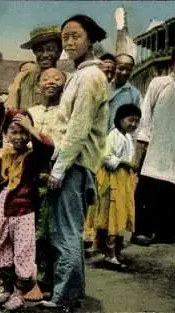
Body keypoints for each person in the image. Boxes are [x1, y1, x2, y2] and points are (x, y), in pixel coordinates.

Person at [42, 15, 109, 310]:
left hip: (74, 164)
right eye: (65, 37)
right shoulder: (80, 75)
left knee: (66, 233)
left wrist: (59, 168)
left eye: (75, 36)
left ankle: (62, 298)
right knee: (67, 231)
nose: (69, 42)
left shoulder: (91, 76)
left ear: (90, 40)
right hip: (73, 162)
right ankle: (71, 294)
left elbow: (78, 128)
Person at [0, 111, 54, 311]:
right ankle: (6, 286)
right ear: (6, 134)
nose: (19, 137)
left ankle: (21, 293)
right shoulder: (3, 158)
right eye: (14, 131)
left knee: (22, 251)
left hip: (23, 211)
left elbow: (48, 147)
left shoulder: (32, 157)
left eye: (23, 132)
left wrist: (31, 128)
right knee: (3, 248)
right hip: (2, 211)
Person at [132, 47, 175, 245]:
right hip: (158, 143)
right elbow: (146, 113)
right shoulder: (158, 83)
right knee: (151, 184)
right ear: (173, 61)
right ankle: (142, 231)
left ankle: (168, 233)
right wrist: (144, 140)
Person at [85, 104, 141, 269]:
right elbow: (106, 157)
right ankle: (109, 253)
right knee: (112, 216)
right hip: (112, 179)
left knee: (121, 214)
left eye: (136, 121)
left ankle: (116, 250)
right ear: (120, 119)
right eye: (130, 120)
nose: (133, 124)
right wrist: (125, 163)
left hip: (123, 179)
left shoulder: (128, 138)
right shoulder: (113, 136)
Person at [27, 67, 66, 293]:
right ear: (38, 84)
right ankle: (29, 277)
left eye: (56, 78)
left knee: (48, 229)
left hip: (52, 174)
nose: (50, 82)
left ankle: (48, 280)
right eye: (45, 78)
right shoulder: (31, 111)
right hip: (29, 175)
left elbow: (59, 145)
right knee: (29, 227)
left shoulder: (65, 112)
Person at [5, 26, 62, 112]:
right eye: (40, 50)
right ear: (34, 52)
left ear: (59, 52)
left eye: (50, 49)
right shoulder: (23, 79)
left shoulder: (65, 82)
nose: (45, 54)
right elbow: (11, 109)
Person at [107, 53, 142, 132]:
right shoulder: (103, 86)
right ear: (114, 67)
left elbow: (138, 122)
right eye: (121, 68)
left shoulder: (134, 94)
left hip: (117, 140)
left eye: (128, 70)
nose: (124, 72)